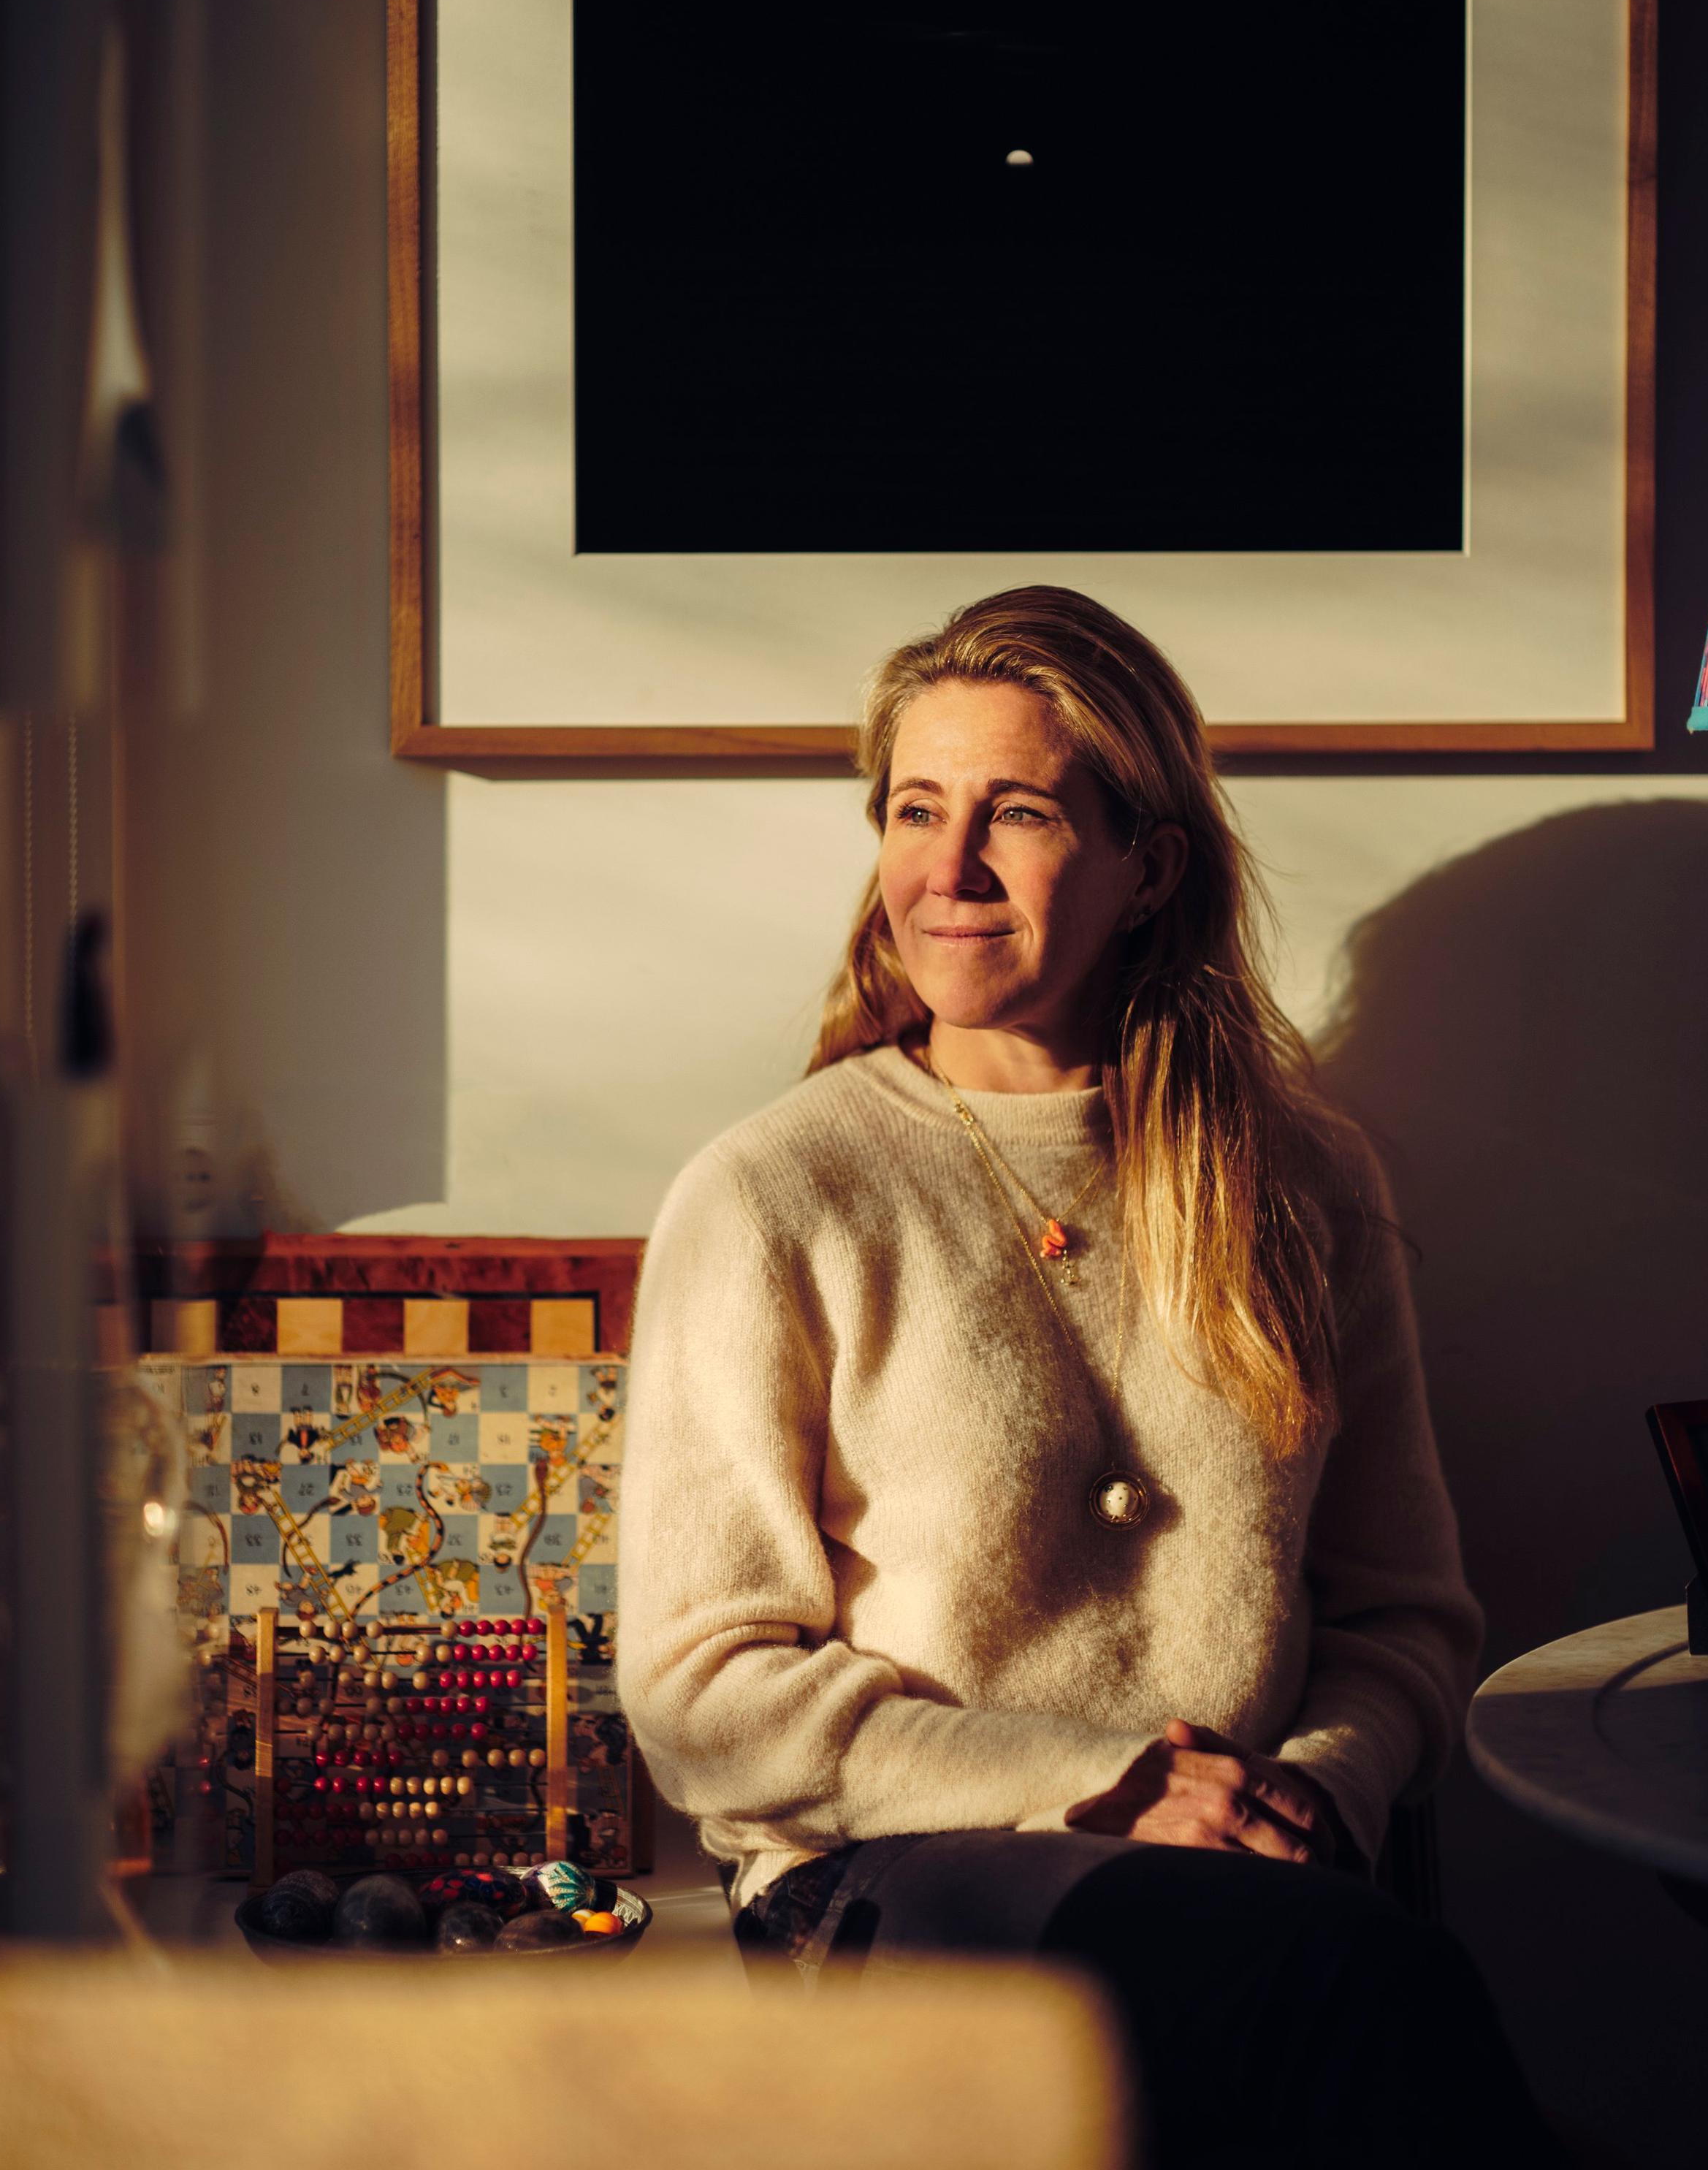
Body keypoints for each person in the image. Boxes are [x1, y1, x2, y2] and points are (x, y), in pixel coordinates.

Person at [618, 587, 1563, 2168]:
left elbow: (1404, 1613)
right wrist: (1109, 1783)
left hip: (1268, 1885)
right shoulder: (775, 1194)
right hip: (891, 1874)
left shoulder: (1305, 1179)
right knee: (1350, 1993)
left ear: (1151, 866)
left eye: (1019, 813)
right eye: (916, 809)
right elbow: (699, 1694)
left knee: (1335, 1989)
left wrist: (1312, 1795)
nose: (949, 869)